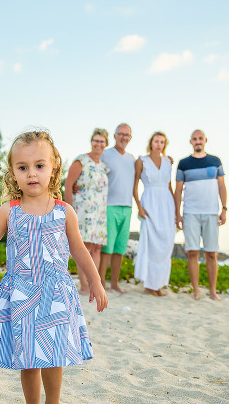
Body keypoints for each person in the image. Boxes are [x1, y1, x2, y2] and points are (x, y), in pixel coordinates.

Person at [0, 130, 108, 404]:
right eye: (23, 167)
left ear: (54, 167)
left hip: (55, 293)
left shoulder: (64, 212)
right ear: (13, 174)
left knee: (53, 355)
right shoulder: (9, 211)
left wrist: (96, 282)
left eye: (39, 165)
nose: (31, 173)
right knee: (29, 360)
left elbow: (80, 251)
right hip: (21, 294)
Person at [174, 129, 227, 300]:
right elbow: (178, 190)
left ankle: (212, 291)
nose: (198, 141)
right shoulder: (183, 163)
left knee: (211, 253)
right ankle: (196, 290)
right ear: (191, 141)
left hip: (211, 212)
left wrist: (224, 209)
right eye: (195, 139)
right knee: (193, 252)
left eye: (200, 139)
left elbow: (222, 186)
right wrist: (178, 214)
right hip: (190, 213)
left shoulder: (215, 161)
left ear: (205, 140)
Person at [64, 128, 109, 295]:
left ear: (106, 144)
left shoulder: (104, 167)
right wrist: (69, 210)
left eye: (101, 141)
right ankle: (83, 285)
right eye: (96, 140)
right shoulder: (81, 161)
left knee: (96, 247)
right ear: (91, 142)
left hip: (100, 212)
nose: (98, 144)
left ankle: (93, 285)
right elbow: (68, 185)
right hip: (83, 210)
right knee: (85, 246)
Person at [132, 131, 176, 296]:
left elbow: (170, 186)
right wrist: (139, 207)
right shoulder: (141, 161)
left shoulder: (168, 162)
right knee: (151, 244)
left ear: (165, 145)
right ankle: (149, 285)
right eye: (156, 141)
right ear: (151, 143)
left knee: (165, 244)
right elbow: (135, 185)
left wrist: (176, 211)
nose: (159, 144)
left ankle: (159, 284)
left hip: (166, 204)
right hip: (149, 203)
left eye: (162, 142)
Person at [98, 123, 135, 294]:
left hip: (127, 207)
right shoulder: (106, 154)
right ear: (114, 136)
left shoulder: (132, 159)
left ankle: (114, 284)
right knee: (107, 248)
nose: (124, 138)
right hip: (110, 206)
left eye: (127, 135)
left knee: (120, 248)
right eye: (121, 134)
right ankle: (101, 283)